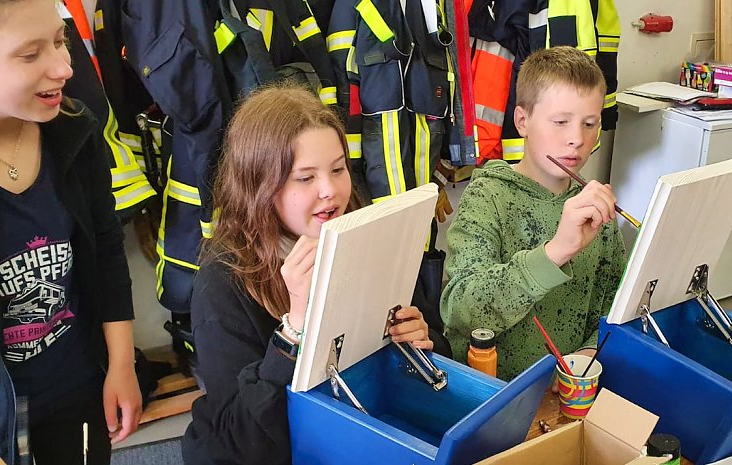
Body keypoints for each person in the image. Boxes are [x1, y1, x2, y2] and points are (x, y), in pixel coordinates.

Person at [181, 84, 437, 465]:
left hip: (359, 436)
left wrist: (419, 337)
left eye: (338, 169)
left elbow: (431, 358)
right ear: (260, 185)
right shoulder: (223, 280)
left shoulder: (361, 231)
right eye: (305, 178)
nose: (330, 190)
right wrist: (294, 327)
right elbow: (240, 441)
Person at [0, 1, 141, 464]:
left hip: (74, 389)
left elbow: (105, 250)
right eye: (30, 55)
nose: (64, 67)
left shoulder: (73, 131)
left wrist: (121, 363)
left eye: (61, 40)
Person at [440, 46, 627, 381]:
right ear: (522, 121)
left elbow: (614, 305)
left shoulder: (595, 205)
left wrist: (587, 356)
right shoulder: (489, 197)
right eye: (560, 122)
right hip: (496, 395)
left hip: (573, 390)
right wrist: (556, 252)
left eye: (590, 124)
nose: (576, 139)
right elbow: (462, 313)